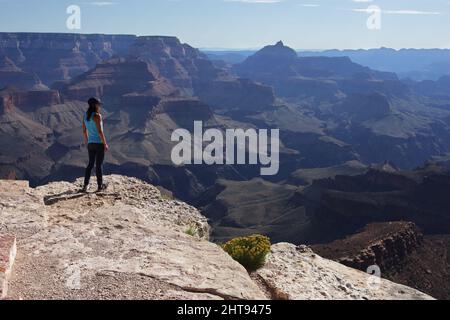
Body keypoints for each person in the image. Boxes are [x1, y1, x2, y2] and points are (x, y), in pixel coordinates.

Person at [81, 97, 109, 193]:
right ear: (96, 105)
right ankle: (100, 186)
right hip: (98, 143)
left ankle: (85, 185)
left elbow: (84, 131)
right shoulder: (97, 116)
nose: (100, 106)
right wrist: (105, 143)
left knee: (90, 164)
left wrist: (87, 141)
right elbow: (100, 132)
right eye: (99, 104)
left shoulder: (85, 115)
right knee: (98, 165)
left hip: (90, 143)